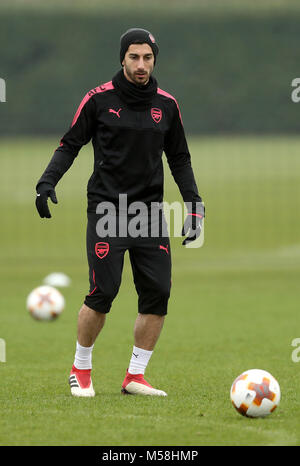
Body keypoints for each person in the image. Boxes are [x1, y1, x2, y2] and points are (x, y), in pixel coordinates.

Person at [35, 28, 205, 397]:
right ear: (122, 59)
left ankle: (135, 376)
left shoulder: (168, 105)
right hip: (107, 210)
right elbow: (69, 145)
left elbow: (180, 158)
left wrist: (194, 205)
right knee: (103, 292)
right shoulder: (98, 100)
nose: (141, 64)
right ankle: (81, 368)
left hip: (149, 214)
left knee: (158, 293)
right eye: (134, 57)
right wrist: (47, 182)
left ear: (154, 58)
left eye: (147, 57)